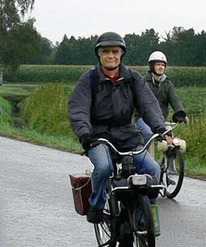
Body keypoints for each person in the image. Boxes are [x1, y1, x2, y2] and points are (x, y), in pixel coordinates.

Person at [68, 31, 173, 224]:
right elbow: (79, 109)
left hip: (127, 134)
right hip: (98, 135)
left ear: (121, 54)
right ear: (99, 54)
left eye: (115, 51)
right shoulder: (89, 79)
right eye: (106, 51)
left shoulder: (132, 78)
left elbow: (148, 105)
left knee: (153, 170)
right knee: (104, 167)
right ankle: (97, 205)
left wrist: (159, 128)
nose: (111, 56)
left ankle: (144, 217)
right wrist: (84, 133)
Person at [135, 51, 189, 141]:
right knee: (149, 133)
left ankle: (167, 154)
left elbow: (175, 100)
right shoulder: (143, 82)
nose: (161, 67)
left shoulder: (167, 84)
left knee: (171, 140)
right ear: (152, 66)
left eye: (163, 65)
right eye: (158, 64)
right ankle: (144, 153)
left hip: (161, 119)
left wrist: (182, 113)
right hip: (143, 118)